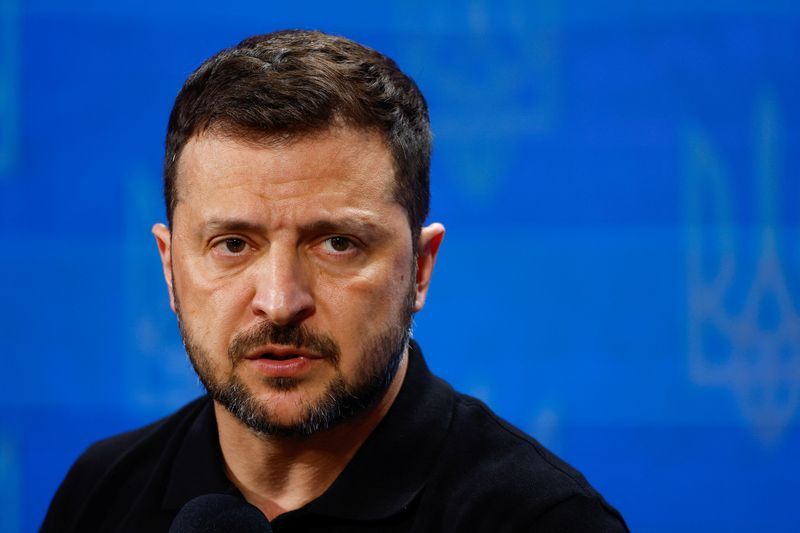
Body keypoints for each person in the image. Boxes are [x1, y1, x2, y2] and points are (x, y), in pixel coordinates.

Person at [42, 30, 628, 532]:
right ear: (170, 269)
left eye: (337, 244)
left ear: (420, 269)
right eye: (233, 245)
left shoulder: (542, 519)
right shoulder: (100, 495)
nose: (279, 302)